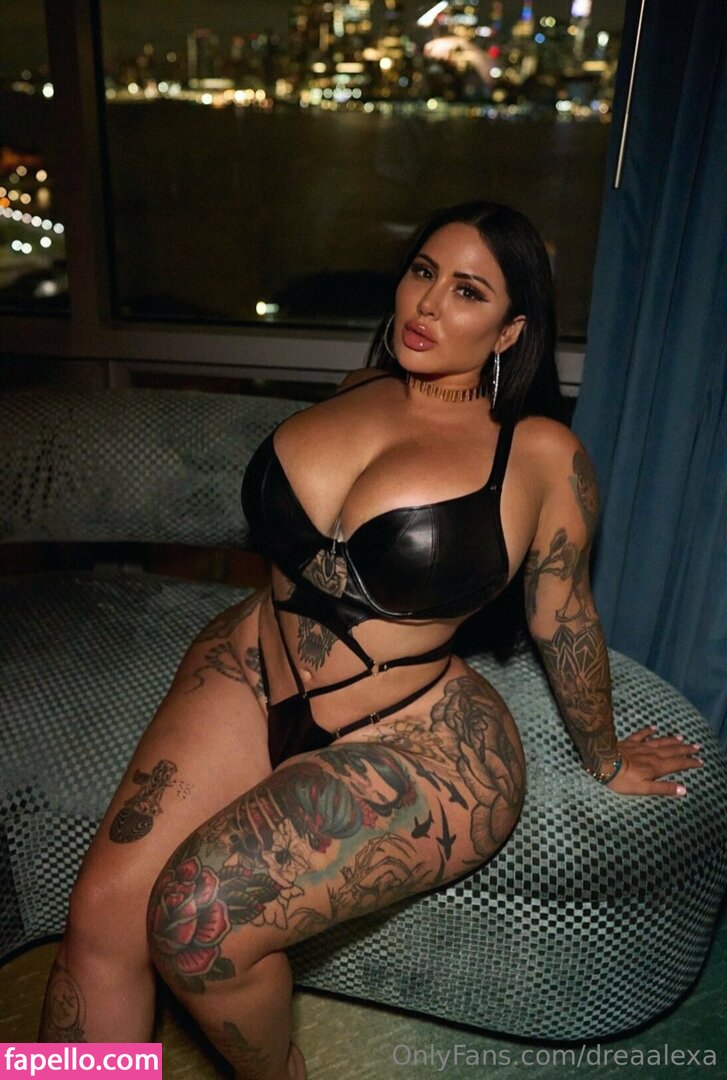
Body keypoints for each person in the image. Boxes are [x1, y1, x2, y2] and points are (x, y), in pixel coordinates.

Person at [39, 202, 703, 1078]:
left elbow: (563, 615)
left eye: (467, 291)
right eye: (422, 271)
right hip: (250, 669)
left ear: (510, 329)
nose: (427, 303)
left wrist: (605, 757)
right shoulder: (357, 389)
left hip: (412, 736)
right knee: (98, 919)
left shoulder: (539, 455)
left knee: (196, 925)